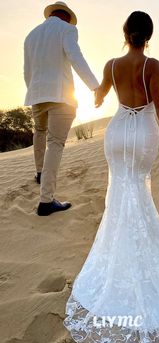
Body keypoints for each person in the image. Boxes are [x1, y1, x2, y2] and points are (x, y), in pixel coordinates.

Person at [63, 11, 159, 343]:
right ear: (149, 36)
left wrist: (96, 95)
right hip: (141, 135)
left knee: (121, 193)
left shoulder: (111, 65)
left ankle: (119, 254)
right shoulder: (153, 65)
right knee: (135, 192)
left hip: (116, 135)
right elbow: (158, 106)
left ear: (125, 33)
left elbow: (98, 96)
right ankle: (139, 256)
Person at [23, 1, 99, 216]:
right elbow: (75, 57)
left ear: (51, 15)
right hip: (61, 95)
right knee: (55, 143)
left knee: (39, 132)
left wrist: (35, 91)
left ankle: (40, 173)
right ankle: (46, 201)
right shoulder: (68, 29)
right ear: (66, 16)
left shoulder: (31, 35)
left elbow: (26, 70)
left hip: (37, 95)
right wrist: (94, 86)